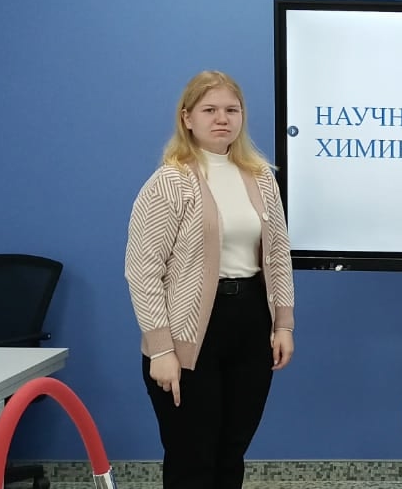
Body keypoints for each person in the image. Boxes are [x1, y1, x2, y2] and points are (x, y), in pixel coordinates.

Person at [125, 70, 296, 489]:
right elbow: (143, 270)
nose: (222, 119)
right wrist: (161, 349)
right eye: (210, 110)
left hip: (250, 324)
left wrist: (283, 324)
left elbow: (278, 255)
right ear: (187, 118)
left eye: (232, 110)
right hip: (188, 335)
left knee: (230, 453)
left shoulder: (261, 177)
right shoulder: (170, 181)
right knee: (192, 457)